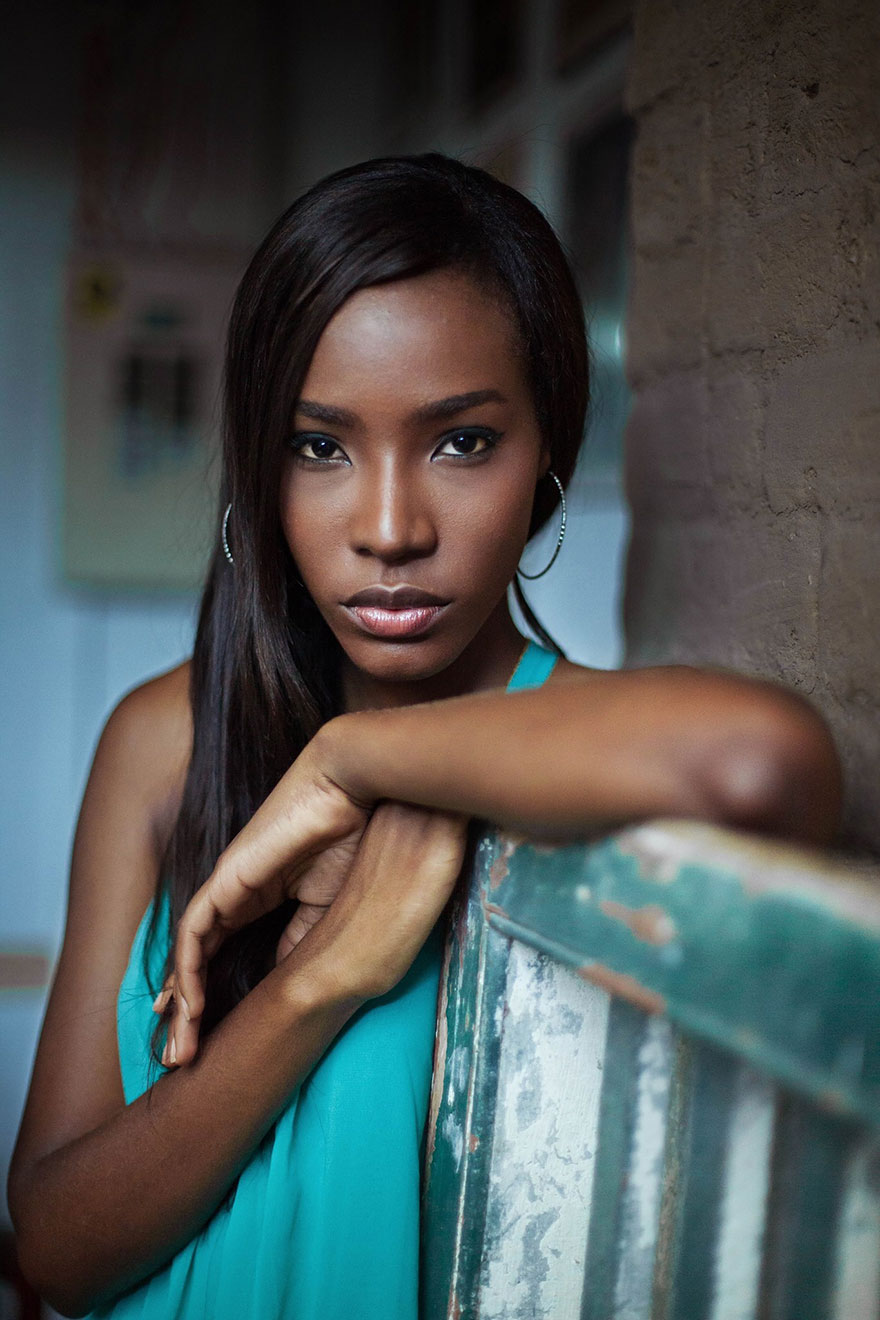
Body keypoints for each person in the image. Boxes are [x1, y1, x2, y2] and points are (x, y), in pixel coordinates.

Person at [8, 153, 841, 1319]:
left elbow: (766, 766)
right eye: (320, 447)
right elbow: (51, 1246)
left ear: (547, 454)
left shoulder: (574, 743)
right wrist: (323, 979)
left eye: (460, 443)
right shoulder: (163, 738)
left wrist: (355, 763)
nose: (390, 528)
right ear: (259, 464)